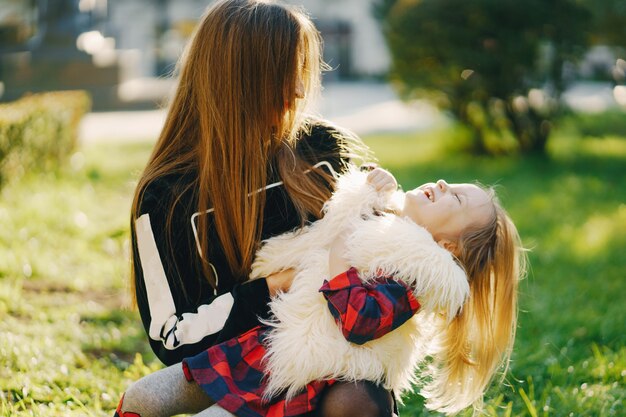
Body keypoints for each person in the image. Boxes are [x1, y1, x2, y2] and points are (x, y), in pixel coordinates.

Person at [115, 0, 394, 416]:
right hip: (233, 377)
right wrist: (275, 286)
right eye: (287, 73)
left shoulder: (322, 148)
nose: (301, 91)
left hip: (334, 356)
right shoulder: (166, 196)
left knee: (357, 401)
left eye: (303, 70)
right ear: (240, 80)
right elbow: (171, 336)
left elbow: (372, 260)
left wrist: (382, 210)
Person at [116, 167, 526, 417]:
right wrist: (368, 189)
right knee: (143, 396)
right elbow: (337, 218)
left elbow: (358, 320)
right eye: (452, 183)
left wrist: (340, 259)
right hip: (260, 347)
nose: (441, 183)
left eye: (454, 197)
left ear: (449, 247)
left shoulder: (418, 275)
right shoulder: (384, 219)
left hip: (301, 378)